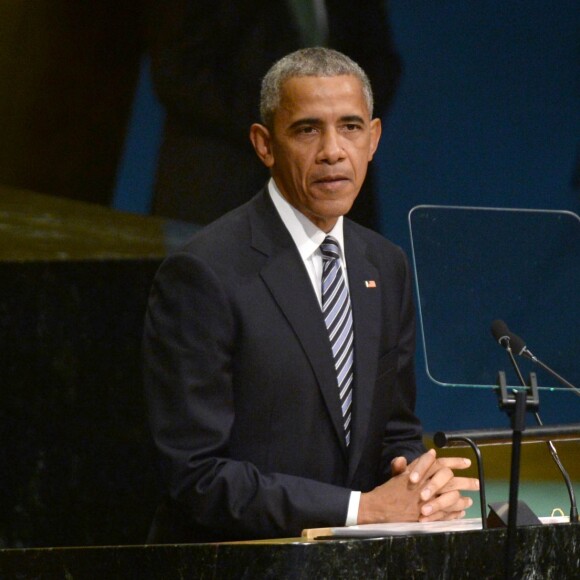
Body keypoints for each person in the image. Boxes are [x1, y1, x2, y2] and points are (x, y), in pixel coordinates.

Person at [143, 47, 478, 543]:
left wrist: (421, 487)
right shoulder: (204, 273)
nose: (332, 151)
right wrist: (360, 510)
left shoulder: (384, 266)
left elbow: (394, 433)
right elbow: (197, 476)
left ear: (374, 139)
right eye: (306, 129)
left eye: (350, 127)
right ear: (264, 144)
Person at [149, 0, 402, 229]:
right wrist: (288, 122)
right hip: (222, 196)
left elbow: (380, 67)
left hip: (332, 210)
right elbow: (180, 73)